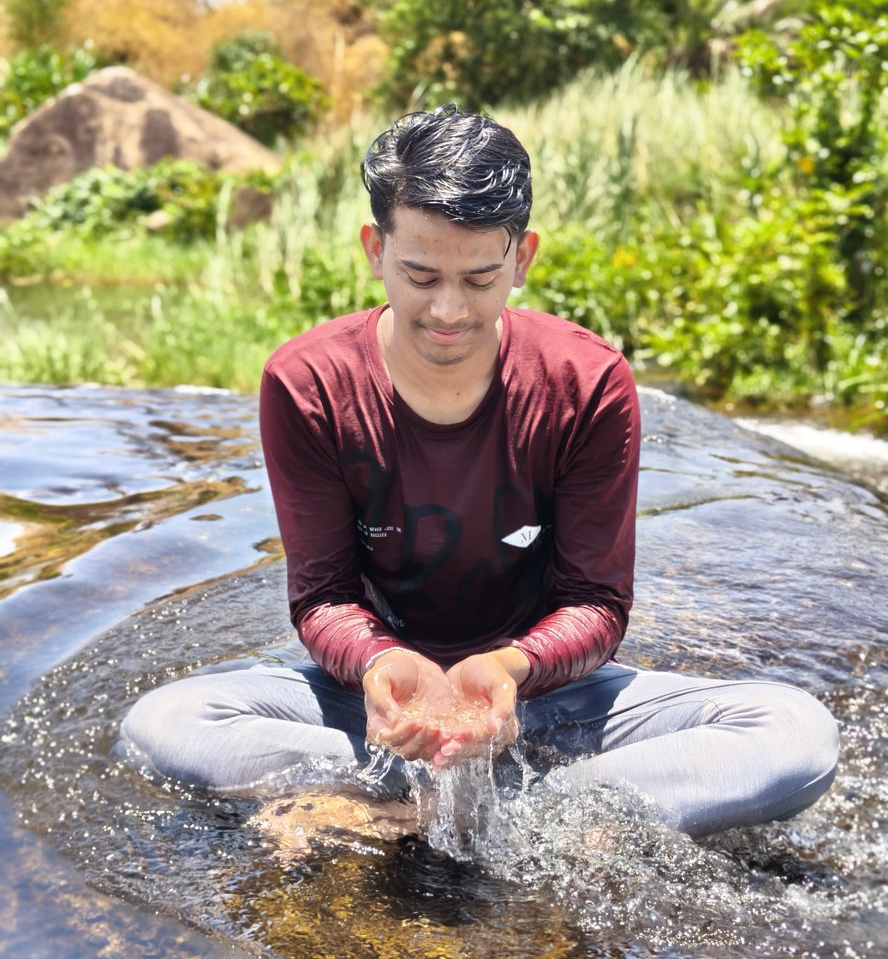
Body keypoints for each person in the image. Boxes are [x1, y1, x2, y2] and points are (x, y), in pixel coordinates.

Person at [120, 105, 839, 839]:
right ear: (375, 248)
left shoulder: (587, 381)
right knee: (164, 723)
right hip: (378, 708)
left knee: (793, 734)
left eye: (481, 277)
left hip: (544, 695)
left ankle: (463, 810)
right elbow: (324, 598)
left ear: (522, 257)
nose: (449, 309)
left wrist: (509, 670)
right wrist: (380, 665)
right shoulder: (308, 383)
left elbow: (596, 604)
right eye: (420, 274)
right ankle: (506, 810)